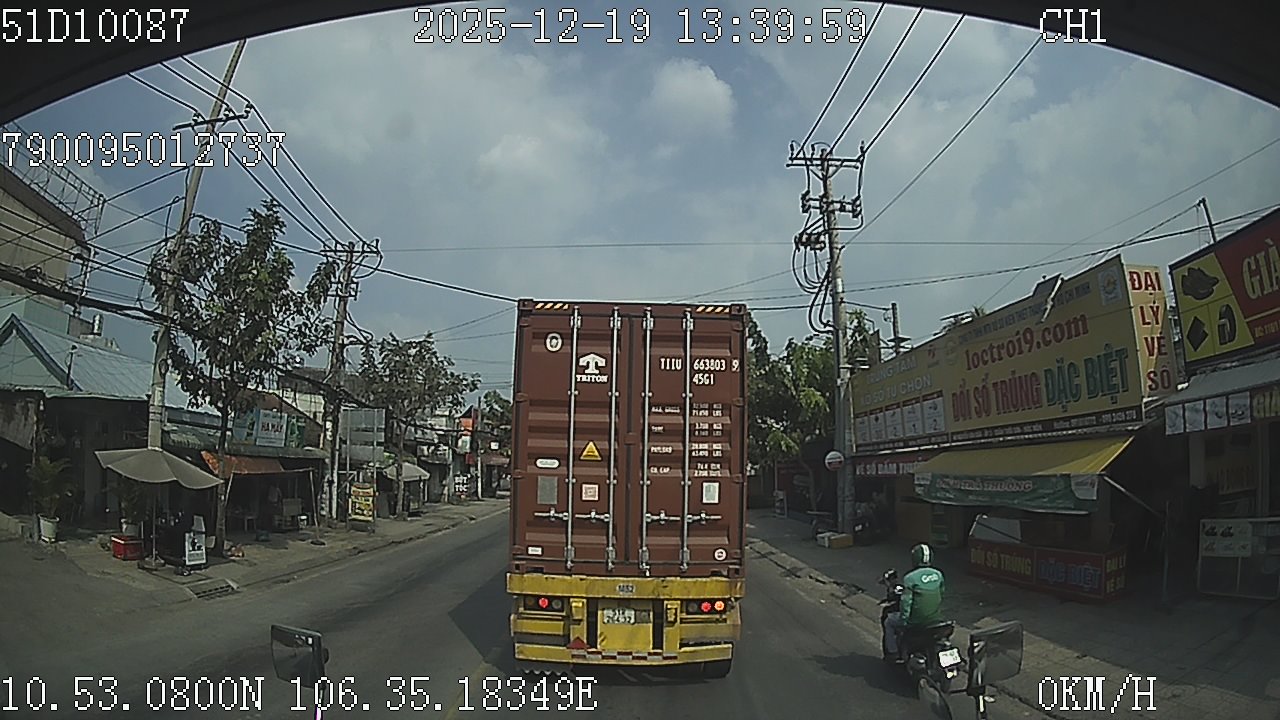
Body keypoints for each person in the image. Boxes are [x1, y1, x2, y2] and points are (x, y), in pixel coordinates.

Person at [883, 543, 946, 662]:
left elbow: (906, 603)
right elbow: (941, 595)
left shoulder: (910, 578)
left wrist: (904, 620)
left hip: (916, 622)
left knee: (889, 622)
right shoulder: (938, 574)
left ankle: (893, 653)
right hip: (936, 619)